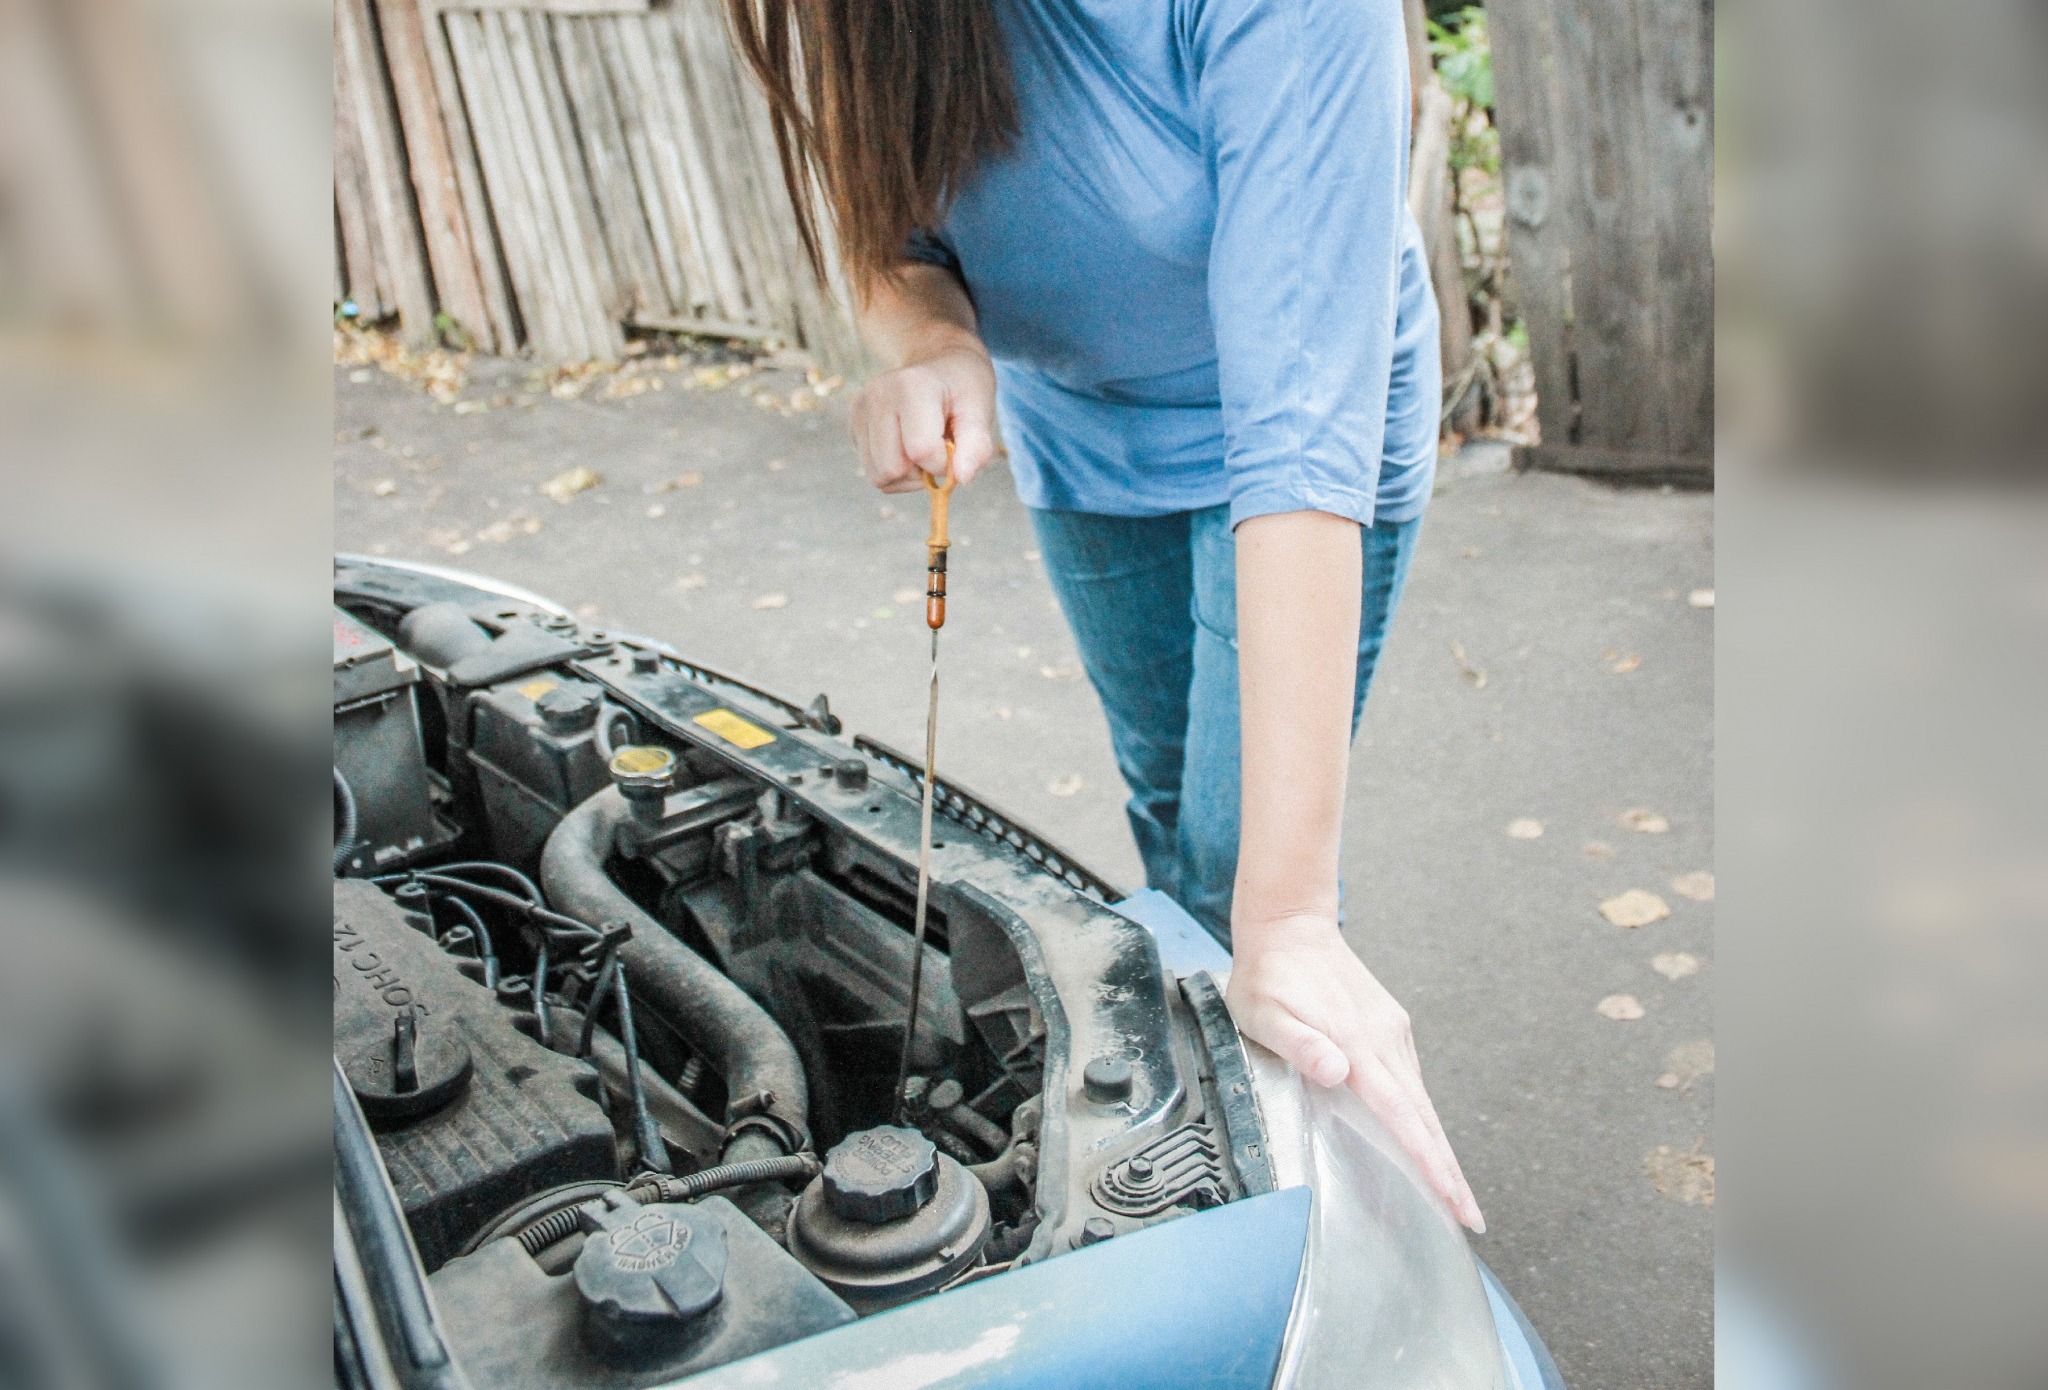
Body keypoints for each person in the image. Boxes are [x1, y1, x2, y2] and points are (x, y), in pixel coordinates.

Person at [730, 0, 1482, 1233]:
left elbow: (1295, 430)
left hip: (1295, 444)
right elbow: (892, 237)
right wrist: (934, 341)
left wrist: (1287, 919)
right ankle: (1190, 1078)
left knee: (1243, 876)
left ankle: (1276, 1206)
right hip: (1082, 435)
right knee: (1165, 799)